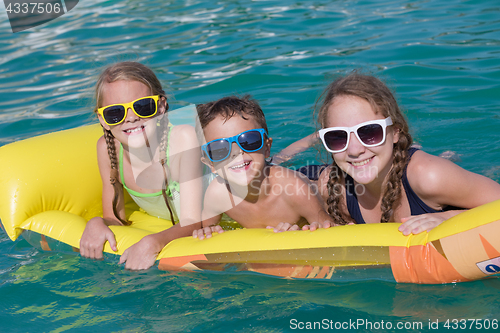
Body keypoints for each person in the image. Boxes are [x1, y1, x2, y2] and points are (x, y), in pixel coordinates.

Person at [300, 72, 500, 234]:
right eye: (338, 137)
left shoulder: (429, 176)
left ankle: (449, 158)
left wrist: (447, 218)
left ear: (395, 132)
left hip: (424, 171)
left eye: (370, 132)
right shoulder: (334, 188)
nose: (354, 149)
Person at [80, 61, 202, 269]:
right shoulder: (108, 150)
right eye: (115, 113)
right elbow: (114, 217)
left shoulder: (183, 139)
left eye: (143, 107)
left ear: (161, 106)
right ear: (102, 119)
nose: (131, 118)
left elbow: (195, 222)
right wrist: (96, 223)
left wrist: (154, 241)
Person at [192, 96, 334, 239]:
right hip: (266, 169)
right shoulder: (217, 195)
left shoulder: (296, 191)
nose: (236, 152)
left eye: (249, 140)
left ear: (267, 147)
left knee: (327, 180)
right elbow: (207, 228)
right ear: (210, 164)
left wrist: (304, 235)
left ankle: (323, 133)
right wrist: (208, 230)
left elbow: (329, 231)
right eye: (219, 148)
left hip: (312, 180)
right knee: (277, 159)